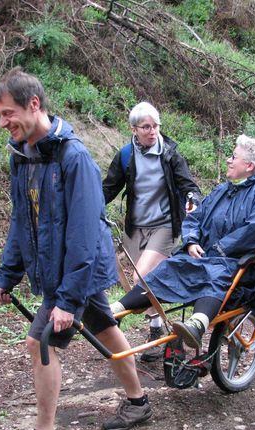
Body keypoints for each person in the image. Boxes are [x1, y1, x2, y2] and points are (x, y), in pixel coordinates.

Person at [0, 68, 151, 430]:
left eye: (8, 113)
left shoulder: (74, 157)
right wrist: (7, 276)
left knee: (38, 342)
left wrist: (66, 299)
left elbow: (83, 231)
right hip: (62, 271)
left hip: (76, 272)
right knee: (106, 329)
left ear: (34, 104)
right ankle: (139, 402)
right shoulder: (23, 156)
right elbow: (20, 221)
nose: (4, 122)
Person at [110, 135, 255, 349]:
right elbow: (195, 217)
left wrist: (220, 248)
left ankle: (196, 325)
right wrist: (190, 241)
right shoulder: (223, 190)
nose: (228, 160)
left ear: (249, 165)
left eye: (234, 157)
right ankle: (115, 308)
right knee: (167, 268)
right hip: (202, 254)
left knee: (216, 276)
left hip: (232, 262)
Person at [102, 101, 201, 361]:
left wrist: (193, 198)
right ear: (134, 129)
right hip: (136, 226)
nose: (152, 131)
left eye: (155, 125)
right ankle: (157, 328)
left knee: (141, 278)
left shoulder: (169, 153)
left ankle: (153, 331)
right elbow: (109, 188)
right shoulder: (125, 155)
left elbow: (187, 184)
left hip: (165, 226)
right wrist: (90, 206)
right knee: (143, 283)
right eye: (146, 126)